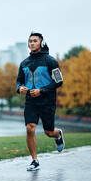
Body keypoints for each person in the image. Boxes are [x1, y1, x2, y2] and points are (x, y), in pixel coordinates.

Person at [16, 32, 64, 171]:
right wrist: (20, 89)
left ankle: (58, 134)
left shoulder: (51, 61)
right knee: (29, 128)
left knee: (48, 132)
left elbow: (59, 81)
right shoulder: (24, 63)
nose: (32, 43)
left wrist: (41, 91)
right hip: (31, 101)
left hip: (47, 100)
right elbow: (19, 81)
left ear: (41, 43)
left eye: (35, 41)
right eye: (30, 41)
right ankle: (34, 161)